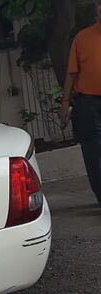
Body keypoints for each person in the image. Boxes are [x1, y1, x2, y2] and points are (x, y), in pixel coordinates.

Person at [60, 2, 101, 206]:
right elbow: (72, 73)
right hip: (88, 103)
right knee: (94, 154)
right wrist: (65, 101)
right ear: (97, 10)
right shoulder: (82, 38)